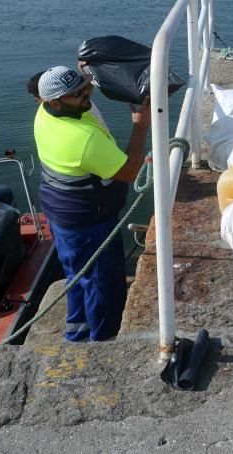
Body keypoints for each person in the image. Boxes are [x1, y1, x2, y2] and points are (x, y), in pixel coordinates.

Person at [33, 65, 151, 341]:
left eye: (86, 87)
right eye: (78, 93)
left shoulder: (45, 114)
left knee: (78, 275)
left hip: (60, 212)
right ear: (55, 101)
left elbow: (81, 93)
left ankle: (77, 333)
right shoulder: (83, 140)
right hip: (88, 223)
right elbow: (128, 171)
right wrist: (140, 125)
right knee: (103, 285)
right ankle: (101, 342)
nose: (87, 95)